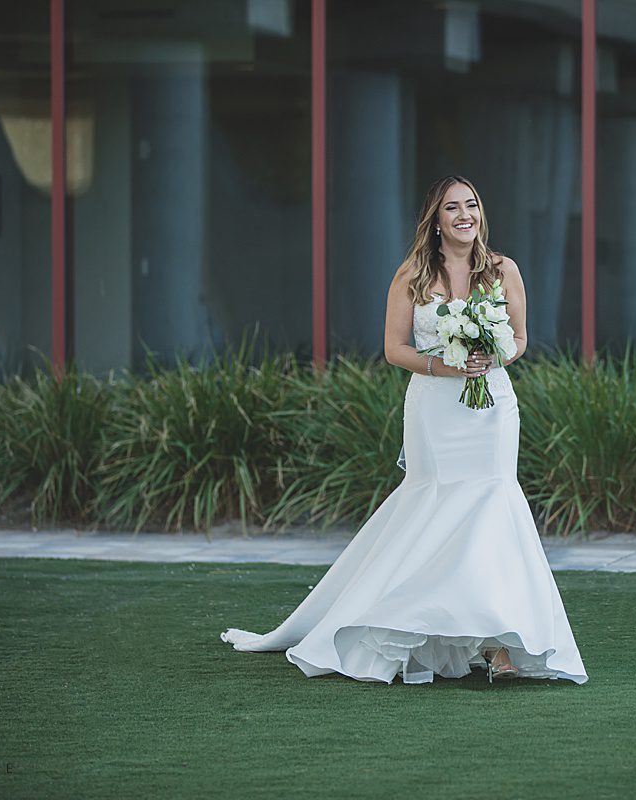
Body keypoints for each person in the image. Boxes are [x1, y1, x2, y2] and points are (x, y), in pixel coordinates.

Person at [221, 175, 587, 686]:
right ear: (435, 221)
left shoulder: (504, 270)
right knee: (433, 505)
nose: (465, 214)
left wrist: (492, 354)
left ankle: (502, 642)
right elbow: (395, 348)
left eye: (472, 205)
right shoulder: (413, 274)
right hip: (436, 409)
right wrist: (446, 366)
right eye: (452, 207)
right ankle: (404, 623)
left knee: (494, 506)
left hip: (491, 410)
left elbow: (521, 338)